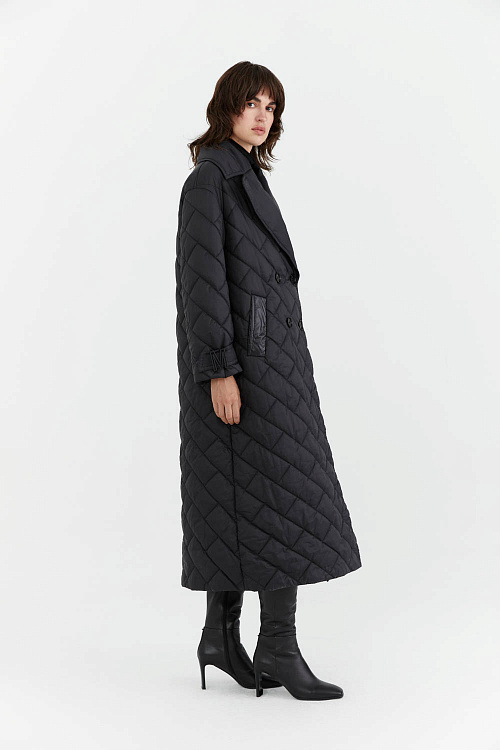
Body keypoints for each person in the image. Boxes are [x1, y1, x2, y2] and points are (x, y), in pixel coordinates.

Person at [175, 61, 362, 700]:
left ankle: (220, 637)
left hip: (269, 363)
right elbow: (202, 286)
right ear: (225, 107)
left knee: (249, 495)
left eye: (271, 106)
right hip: (244, 369)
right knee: (281, 495)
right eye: (251, 102)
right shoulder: (210, 181)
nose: (262, 116)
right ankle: (276, 647)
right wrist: (220, 371)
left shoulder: (244, 174)